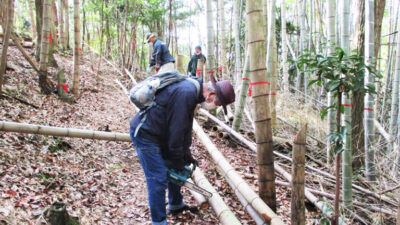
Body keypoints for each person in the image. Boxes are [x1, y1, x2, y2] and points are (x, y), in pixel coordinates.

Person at [130, 74, 235, 225]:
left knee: (176, 168)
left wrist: (186, 155)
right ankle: (158, 222)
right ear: (211, 94)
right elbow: (176, 131)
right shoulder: (186, 93)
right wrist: (178, 158)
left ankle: (175, 204)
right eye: (217, 103)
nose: (215, 106)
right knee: (158, 178)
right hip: (147, 134)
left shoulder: (192, 92)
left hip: (160, 133)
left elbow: (185, 128)